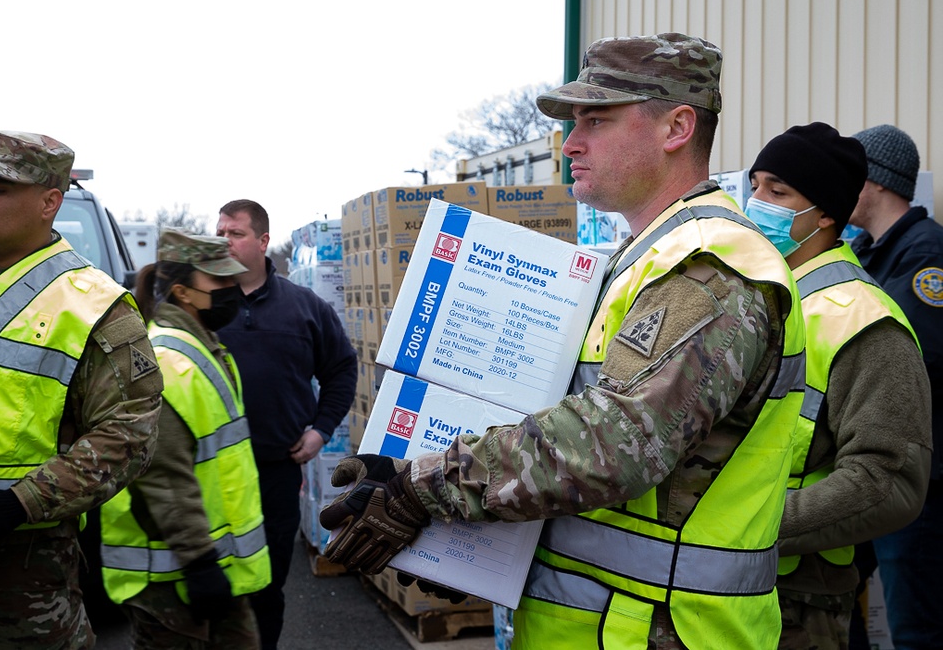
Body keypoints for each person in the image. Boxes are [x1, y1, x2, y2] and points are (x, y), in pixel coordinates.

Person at [320, 33, 808, 650]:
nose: (571, 143)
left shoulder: (711, 266)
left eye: (596, 121)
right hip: (598, 623)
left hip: (659, 631)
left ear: (677, 127)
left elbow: (619, 441)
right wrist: (477, 550)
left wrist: (426, 488)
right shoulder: (642, 258)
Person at [0, 130, 163, 648]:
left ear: (49, 202)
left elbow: (128, 438)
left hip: (18, 571)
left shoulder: (96, 308)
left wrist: (17, 504)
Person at [742, 123, 932, 650]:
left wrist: (749, 524)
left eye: (777, 192)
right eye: (755, 185)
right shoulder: (765, 295)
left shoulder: (864, 320)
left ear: (826, 214)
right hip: (729, 584)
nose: (756, 202)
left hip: (800, 601)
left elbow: (890, 481)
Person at [99, 229, 271, 649]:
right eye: (221, 283)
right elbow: (163, 476)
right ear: (184, 292)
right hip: (173, 578)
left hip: (211, 567)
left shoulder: (204, 348)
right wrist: (199, 564)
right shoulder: (166, 363)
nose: (233, 290)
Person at [215, 199, 357, 649]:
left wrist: (320, 430)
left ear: (261, 241)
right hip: (208, 474)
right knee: (210, 586)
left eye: (234, 234)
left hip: (274, 472)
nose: (224, 242)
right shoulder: (198, 305)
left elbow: (341, 369)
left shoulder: (304, 308)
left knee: (266, 586)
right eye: (218, 233)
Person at [848, 124, 943, 649]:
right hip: (872, 467)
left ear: (875, 183)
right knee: (835, 598)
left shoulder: (927, 256)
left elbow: (913, 358)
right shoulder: (869, 251)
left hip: (919, 478)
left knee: (915, 627)